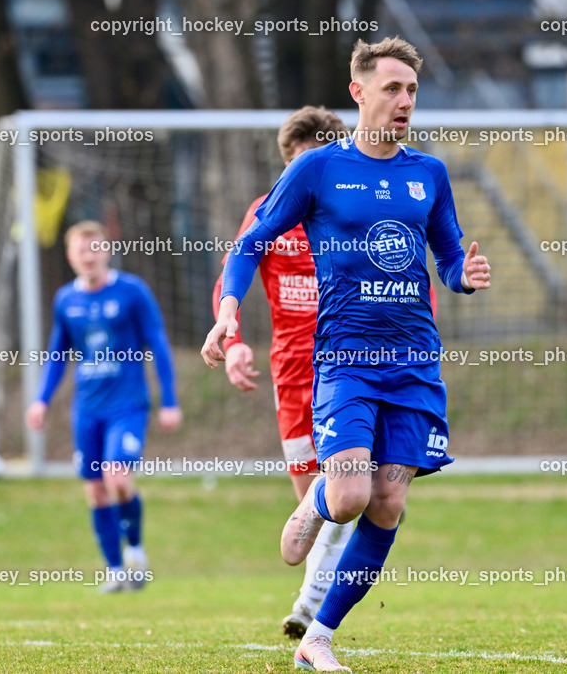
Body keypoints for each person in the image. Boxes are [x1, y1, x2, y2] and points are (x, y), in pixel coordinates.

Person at [202, 36, 491, 671]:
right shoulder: (317, 168)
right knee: (353, 493)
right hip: (346, 356)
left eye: (412, 90)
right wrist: (228, 312)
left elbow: (446, 255)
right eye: (392, 88)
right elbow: (252, 242)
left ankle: (319, 636)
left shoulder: (429, 173)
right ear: (358, 93)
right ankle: (317, 503)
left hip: (415, 359)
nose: (404, 101)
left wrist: (463, 275)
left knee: (390, 502)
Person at [211, 106, 356, 639]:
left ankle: (310, 608)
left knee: (343, 486)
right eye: (297, 165)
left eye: (316, 164)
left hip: (349, 363)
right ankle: (320, 586)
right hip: (292, 372)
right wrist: (235, 341)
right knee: (313, 505)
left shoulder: (351, 207)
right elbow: (235, 269)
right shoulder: (267, 211)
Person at [26, 221, 182, 593]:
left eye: (95, 248)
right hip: (87, 410)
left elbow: (158, 343)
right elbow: (57, 354)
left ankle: (137, 552)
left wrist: (170, 400)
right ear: (71, 257)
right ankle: (114, 571)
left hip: (127, 405)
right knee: (96, 490)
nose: (89, 256)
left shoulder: (132, 292)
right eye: (82, 250)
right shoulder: (66, 299)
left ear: (106, 251)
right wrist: (41, 400)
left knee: (118, 479)